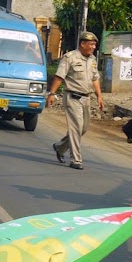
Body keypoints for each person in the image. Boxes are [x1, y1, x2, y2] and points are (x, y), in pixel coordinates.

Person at [47, 31, 104, 170]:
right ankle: (76, 159)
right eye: (91, 44)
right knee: (76, 127)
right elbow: (59, 76)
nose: (93, 47)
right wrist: (52, 94)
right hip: (72, 97)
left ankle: (60, 147)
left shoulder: (92, 60)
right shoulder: (70, 57)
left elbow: (95, 79)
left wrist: (99, 96)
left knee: (83, 129)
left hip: (86, 98)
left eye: (94, 45)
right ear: (82, 44)